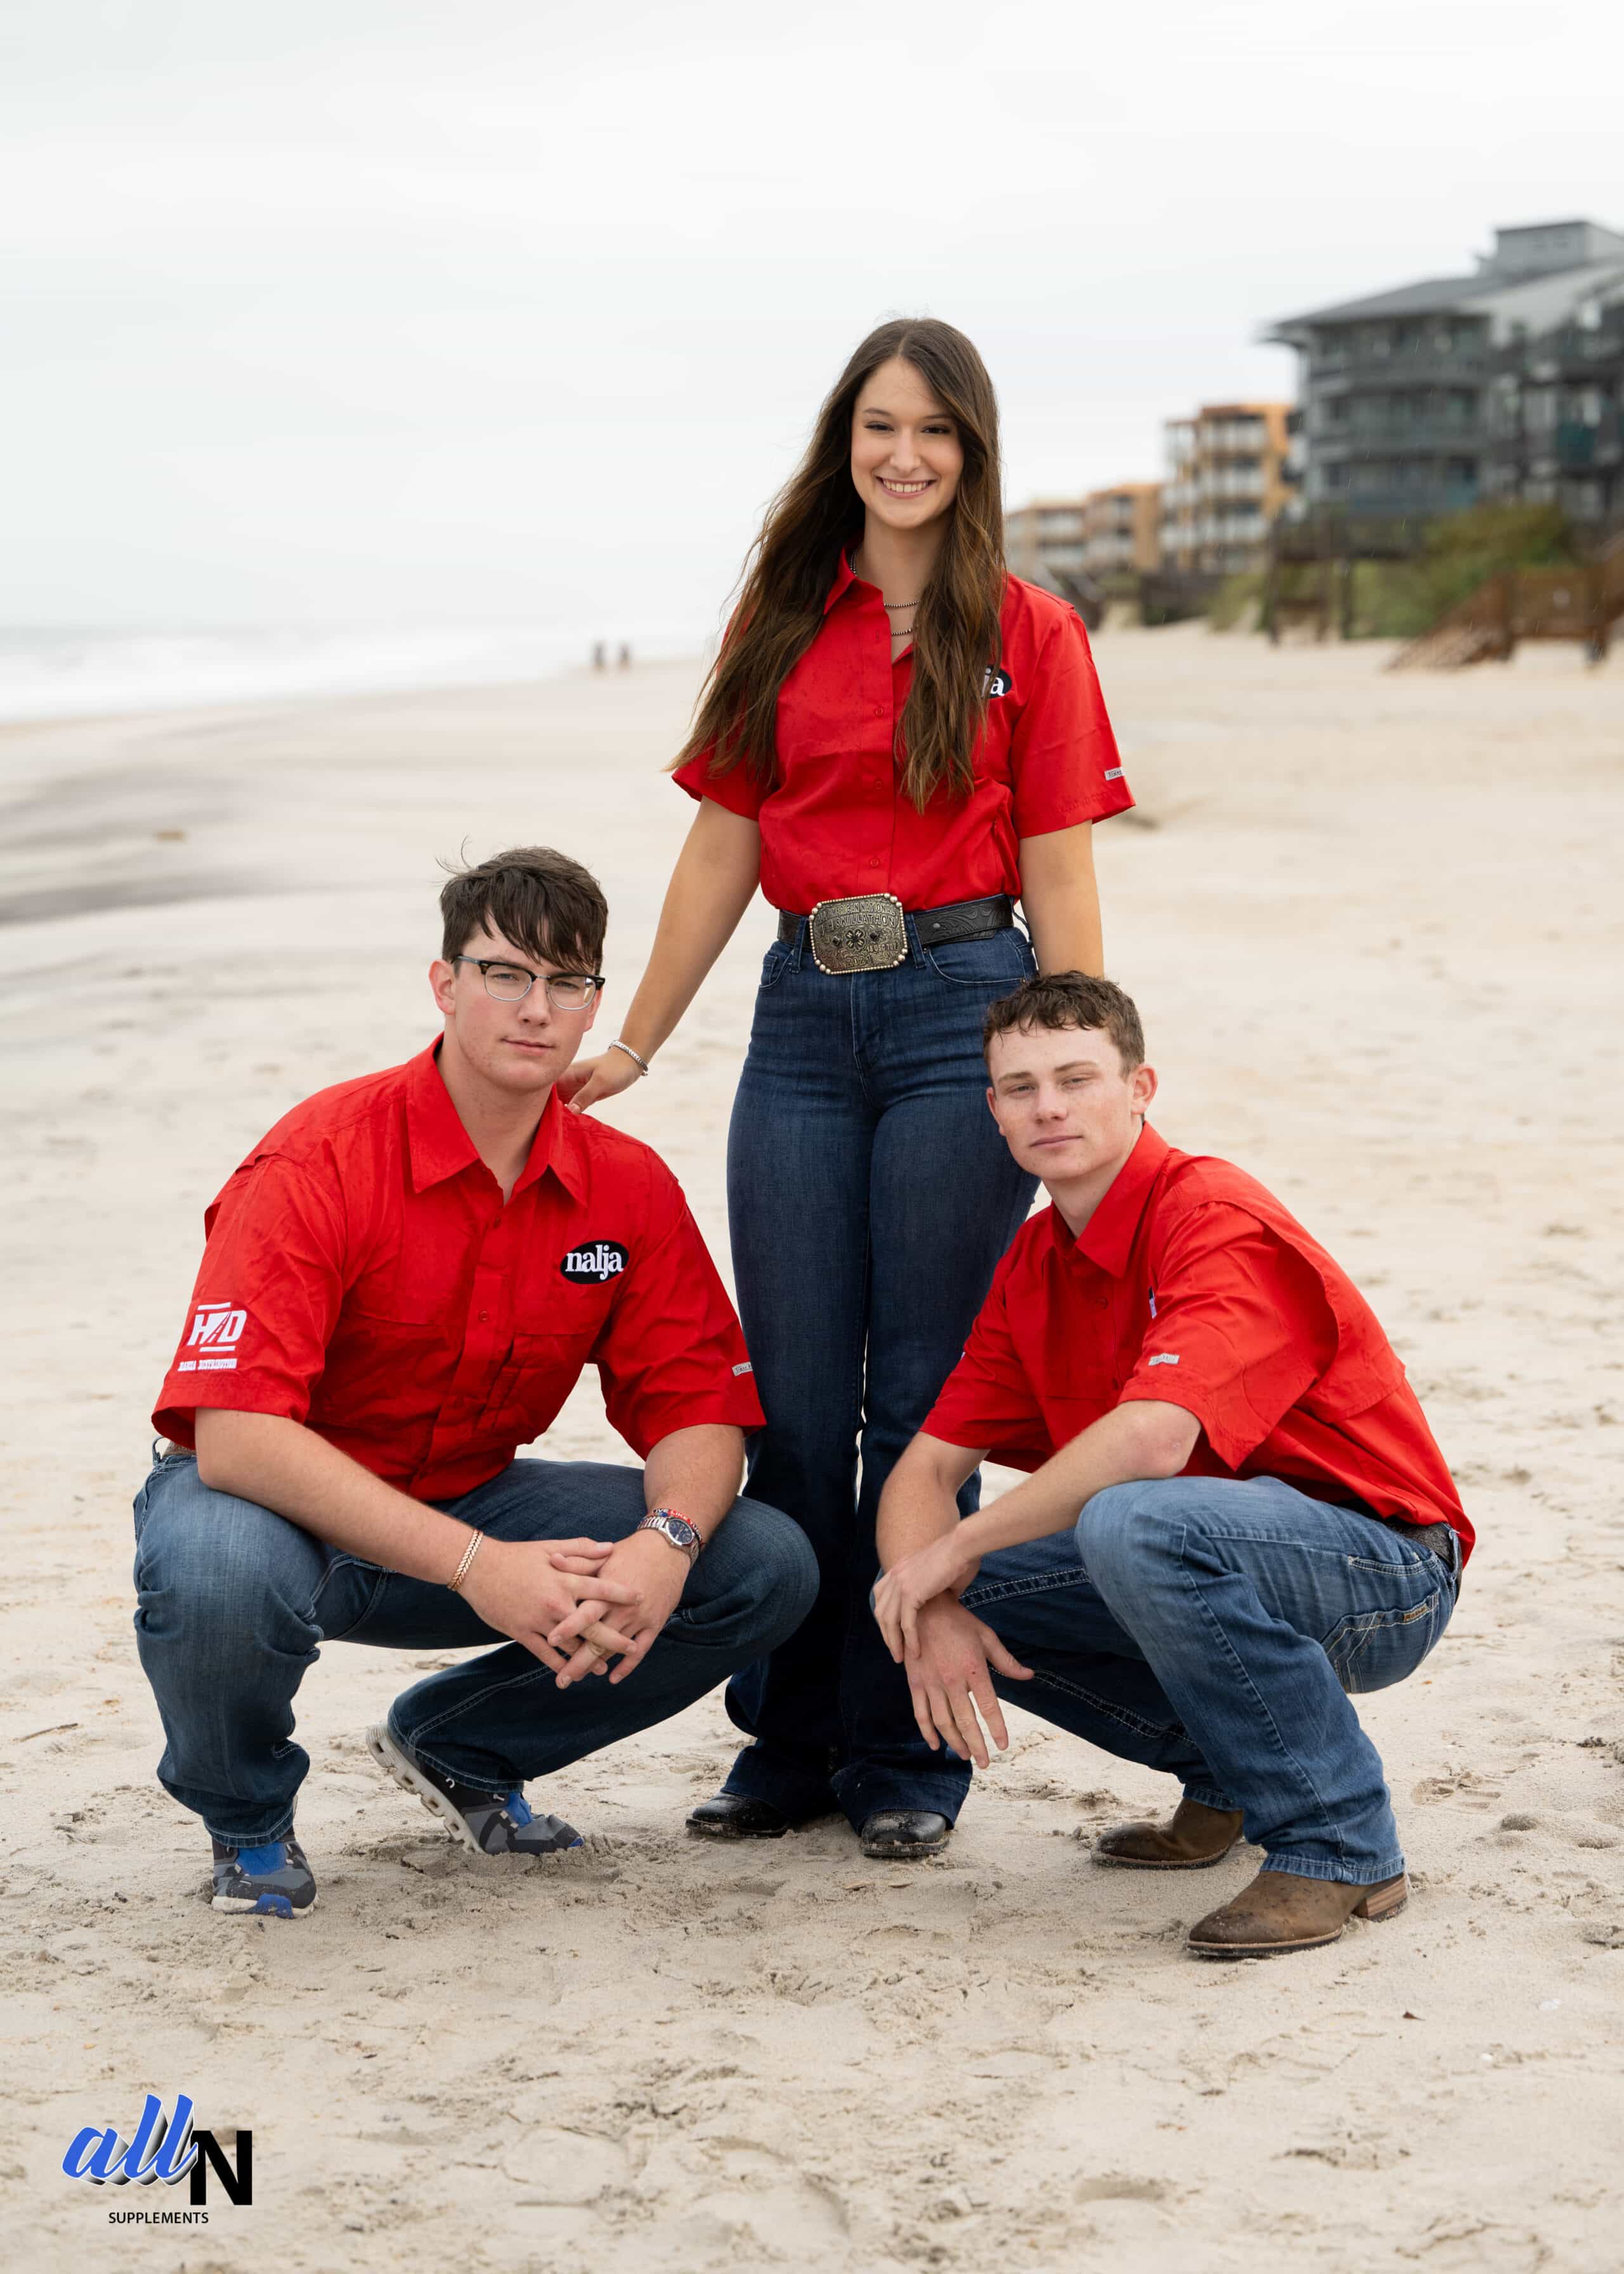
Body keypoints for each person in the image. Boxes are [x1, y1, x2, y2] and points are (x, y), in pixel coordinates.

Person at [561, 320, 1134, 1860]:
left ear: (972, 451)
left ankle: (902, 1748)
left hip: (964, 1007)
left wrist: (1071, 1083)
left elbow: (1059, 865)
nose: (904, 455)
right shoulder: (781, 615)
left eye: (935, 431)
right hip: (802, 1015)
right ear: (845, 438)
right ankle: (790, 1735)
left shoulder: (1031, 631)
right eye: (880, 425)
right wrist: (635, 1044)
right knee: (799, 1403)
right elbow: (720, 848)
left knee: (924, 1400)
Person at [133, 846, 816, 1919]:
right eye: (504, 974)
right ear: (444, 984)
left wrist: (666, 1543)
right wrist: (474, 1565)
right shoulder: (320, 1158)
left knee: (758, 1559)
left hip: (469, 1493)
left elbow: (700, 1408)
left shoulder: (622, 1188)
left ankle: (461, 1740)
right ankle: (250, 1822)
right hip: (278, 1515)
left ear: (594, 1007)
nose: (534, 1008)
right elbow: (238, 1436)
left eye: (566, 983)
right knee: (213, 1570)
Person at [873, 972, 1471, 1958]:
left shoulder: (1211, 1212)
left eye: (1076, 1077)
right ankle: (1234, 1771)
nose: (1049, 1107)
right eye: (1020, 1088)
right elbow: (921, 1473)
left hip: (1385, 1568)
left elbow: (1155, 1441)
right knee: (916, 1582)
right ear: (994, 1109)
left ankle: (1340, 1843)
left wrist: (955, 1550)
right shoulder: (1036, 1260)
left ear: (1141, 1087)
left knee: (1130, 1521)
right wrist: (930, 1599)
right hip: (1214, 1554)